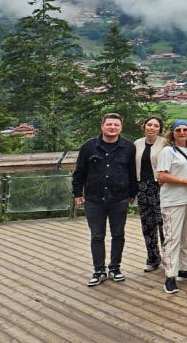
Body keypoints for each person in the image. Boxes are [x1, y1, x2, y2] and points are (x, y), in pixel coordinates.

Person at [73, 113, 138, 287]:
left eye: (116, 125)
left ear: (121, 127)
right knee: (97, 236)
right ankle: (99, 270)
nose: (112, 127)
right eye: (109, 124)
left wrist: (133, 193)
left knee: (118, 234)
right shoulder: (89, 146)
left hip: (119, 198)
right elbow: (79, 171)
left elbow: (132, 172)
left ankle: (115, 268)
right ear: (102, 126)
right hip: (94, 199)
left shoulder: (129, 147)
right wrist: (77, 193)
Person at [157, 119, 187, 294]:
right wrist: (186, 182)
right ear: (173, 133)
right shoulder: (167, 151)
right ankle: (170, 275)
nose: (182, 132)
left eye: (185, 129)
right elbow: (162, 177)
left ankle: (184, 268)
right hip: (173, 201)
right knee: (172, 238)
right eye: (178, 130)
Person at [133, 115, 165, 272]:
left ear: (160, 129)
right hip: (142, 188)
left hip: (161, 187)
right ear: (144, 126)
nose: (152, 127)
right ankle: (153, 258)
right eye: (149, 124)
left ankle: (170, 259)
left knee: (164, 224)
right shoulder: (137, 143)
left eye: (156, 126)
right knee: (147, 225)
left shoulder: (165, 143)